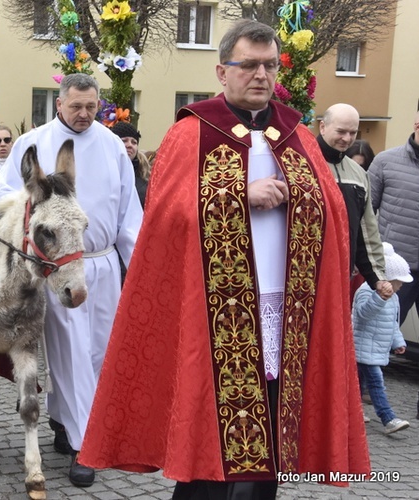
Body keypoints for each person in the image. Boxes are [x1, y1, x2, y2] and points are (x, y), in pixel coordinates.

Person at [79, 20, 370, 500]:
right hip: (214, 311)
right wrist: (237, 195)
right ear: (222, 70)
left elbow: (334, 209)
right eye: (249, 64)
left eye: (270, 65)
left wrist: (300, 194)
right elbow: (166, 215)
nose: (261, 74)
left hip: (285, 308)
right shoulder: (192, 131)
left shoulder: (295, 133)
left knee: (273, 434)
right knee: (210, 433)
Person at [0, 73, 143, 488]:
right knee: (72, 354)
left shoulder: (113, 146)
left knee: (98, 352)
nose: (84, 114)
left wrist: (139, 268)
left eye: (91, 106)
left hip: (105, 262)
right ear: (59, 104)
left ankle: (61, 418)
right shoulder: (32, 143)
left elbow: (129, 211)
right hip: (59, 265)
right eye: (76, 106)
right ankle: (84, 446)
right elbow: (2, 196)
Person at [317, 103, 389, 299]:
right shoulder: (302, 163)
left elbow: (367, 229)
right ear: (322, 127)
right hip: (306, 276)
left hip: (342, 275)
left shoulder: (358, 174)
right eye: (341, 131)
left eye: (353, 132)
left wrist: (377, 277)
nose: (347, 139)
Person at [353, 242, 411, 434]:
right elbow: (362, 314)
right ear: (387, 278)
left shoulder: (393, 297)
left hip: (374, 349)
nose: (402, 285)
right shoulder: (365, 291)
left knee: (358, 382)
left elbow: (393, 323)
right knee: (376, 382)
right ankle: (388, 418)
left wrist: (398, 342)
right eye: (398, 280)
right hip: (363, 346)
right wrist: (379, 298)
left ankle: (354, 412)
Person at [370, 110, 419, 326]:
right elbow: (365, 213)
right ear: (417, 124)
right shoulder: (385, 161)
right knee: (382, 334)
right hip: (396, 270)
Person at [110, 121, 151, 208]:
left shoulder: (146, 178)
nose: (130, 145)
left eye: (134, 142)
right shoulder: (104, 172)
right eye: (124, 141)